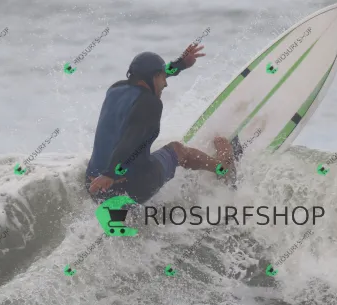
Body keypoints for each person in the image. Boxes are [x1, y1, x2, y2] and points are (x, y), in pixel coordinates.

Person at [85, 44, 234, 204]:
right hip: (131, 184)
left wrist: (181, 64)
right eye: (163, 78)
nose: (166, 84)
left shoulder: (116, 89)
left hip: (94, 184)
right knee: (178, 150)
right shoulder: (150, 103)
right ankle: (223, 168)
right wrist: (110, 174)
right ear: (154, 77)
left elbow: (148, 75)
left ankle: (127, 212)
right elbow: (131, 139)